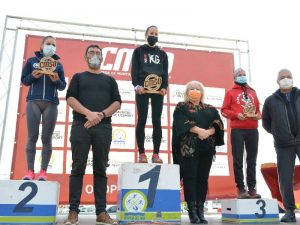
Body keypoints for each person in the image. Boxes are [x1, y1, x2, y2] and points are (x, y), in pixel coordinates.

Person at [64, 44, 121, 225]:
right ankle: (73, 212)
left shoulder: (110, 80)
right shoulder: (78, 77)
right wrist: (89, 114)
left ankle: (101, 212)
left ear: (102, 58)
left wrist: (101, 115)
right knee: (77, 168)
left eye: (98, 53)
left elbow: (117, 102)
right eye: (91, 53)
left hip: (103, 127)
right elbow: (70, 99)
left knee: (100, 170)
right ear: (86, 57)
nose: (95, 55)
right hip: (81, 125)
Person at [172, 81, 224, 224]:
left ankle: (201, 211)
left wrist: (209, 132)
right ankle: (192, 212)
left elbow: (218, 123)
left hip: (206, 148)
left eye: (197, 89)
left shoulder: (210, 108)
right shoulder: (181, 106)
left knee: (202, 179)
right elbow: (180, 122)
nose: (194, 91)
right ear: (187, 92)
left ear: (202, 92)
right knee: (190, 179)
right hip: (188, 149)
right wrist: (200, 131)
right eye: (191, 89)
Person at [21, 35, 66, 181]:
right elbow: (24, 81)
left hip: (51, 103)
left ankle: (43, 172)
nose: (51, 47)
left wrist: (56, 80)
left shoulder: (58, 64)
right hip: (33, 101)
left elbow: (62, 86)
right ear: (41, 46)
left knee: (46, 138)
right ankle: (29, 171)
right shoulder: (32, 61)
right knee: (32, 137)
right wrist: (34, 76)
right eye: (48, 44)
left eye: (54, 45)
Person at [262, 69, 300, 223]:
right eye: (282, 78)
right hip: (283, 145)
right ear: (277, 81)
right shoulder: (270, 100)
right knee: (284, 178)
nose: (285, 79)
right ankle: (289, 211)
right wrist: (279, 133)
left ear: (292, 79)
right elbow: (265, 122)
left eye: (288, 77)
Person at [221, 68, 261, 199]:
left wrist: (258, 116)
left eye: (244, 75)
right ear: (234, 77)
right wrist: (236, 115)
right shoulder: (230, 92)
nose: (242, 76)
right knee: (238, 160)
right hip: (238, 130)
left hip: (253, 130)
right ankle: (240, 188)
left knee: (252, 160)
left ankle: (252, 188)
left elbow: (258, 110)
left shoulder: (253, 92)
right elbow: (224, 110)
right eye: (240, 75)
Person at [131, 25, 168, 163]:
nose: (154, 35)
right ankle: (142, 153)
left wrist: (164, 87)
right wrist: (136, 85)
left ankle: (156, 154)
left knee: (157, 121)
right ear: (146, 35)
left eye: (156, 33)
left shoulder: (162, 54)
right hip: (143, 90)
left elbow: (165, 72)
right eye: (151, 33)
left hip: (158, 91)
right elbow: (134, 70)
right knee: (142, 119)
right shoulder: (138, 51)